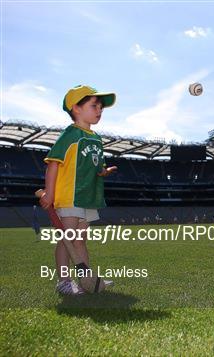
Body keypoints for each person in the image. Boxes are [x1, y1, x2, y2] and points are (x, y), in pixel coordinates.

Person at [39, 85, 117, 295]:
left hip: (88, 197)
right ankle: (63, 282)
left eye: (101, 107)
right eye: (94, 106)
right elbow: (53, 163)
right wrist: (49, 192)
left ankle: (88, 280)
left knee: (80, 240)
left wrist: (103, 171)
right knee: (67, 239)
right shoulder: (70, 135)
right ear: (76, 108)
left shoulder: (96, 138)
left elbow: (95, 164)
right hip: (70, 196)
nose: (99, 110)